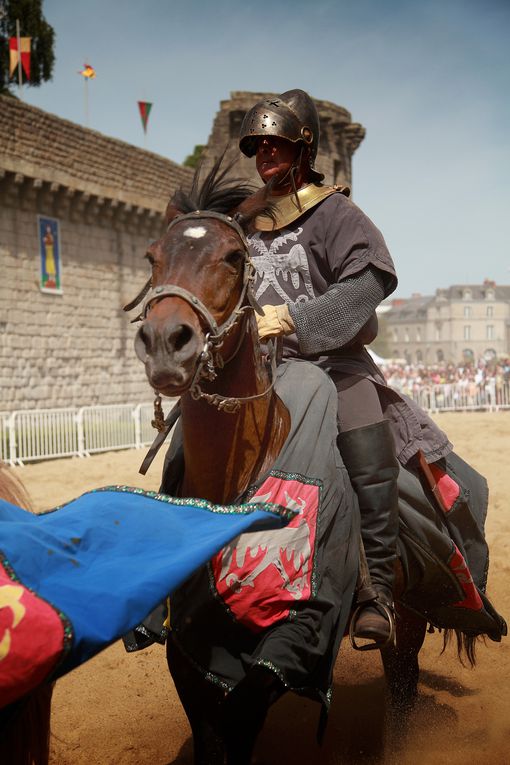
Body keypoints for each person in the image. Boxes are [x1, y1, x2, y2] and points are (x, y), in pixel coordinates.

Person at [238, 88, 402, 645]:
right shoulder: (245, 219)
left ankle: (376, 588)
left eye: (277, 144)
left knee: (363, 436)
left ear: (303, 147)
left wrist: (292, 321)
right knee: (192, 436)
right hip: (257, 372)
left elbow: (368, 282)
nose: (265, 154)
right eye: (258, 146)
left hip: (334, 362)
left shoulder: (335, 212)